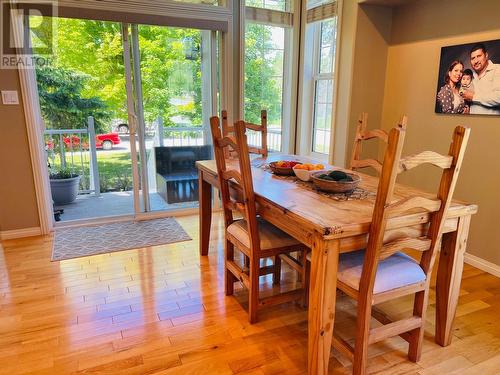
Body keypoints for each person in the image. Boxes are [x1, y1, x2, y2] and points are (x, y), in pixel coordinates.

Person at [461, 43, 500, 115]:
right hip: (473, 123)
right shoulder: (471, 77)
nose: (476, 61)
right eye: (473, 58)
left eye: (479, 56)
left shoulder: (497, 69)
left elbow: (498, 97)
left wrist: (473, 97)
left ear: (486, 55)